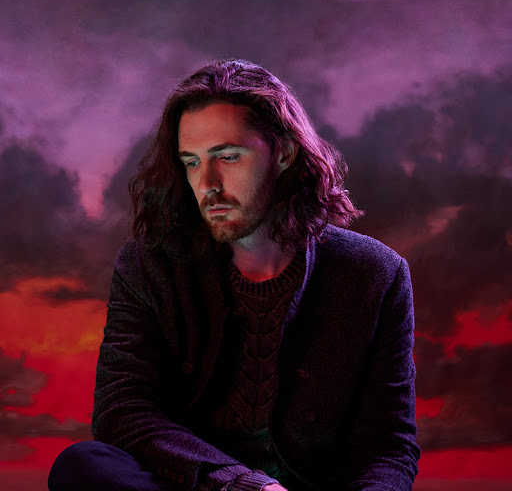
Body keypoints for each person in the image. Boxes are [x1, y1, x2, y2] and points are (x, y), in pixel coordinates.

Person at [48, 59, 421, 491]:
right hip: (198, 484)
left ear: (284, 153)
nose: (207, 183)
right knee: (84, 465)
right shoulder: (148, 264)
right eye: (191, 162)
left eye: (227, 156)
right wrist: (243, 485)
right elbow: (122, 410)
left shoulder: (375, 273)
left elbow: (388, 447)